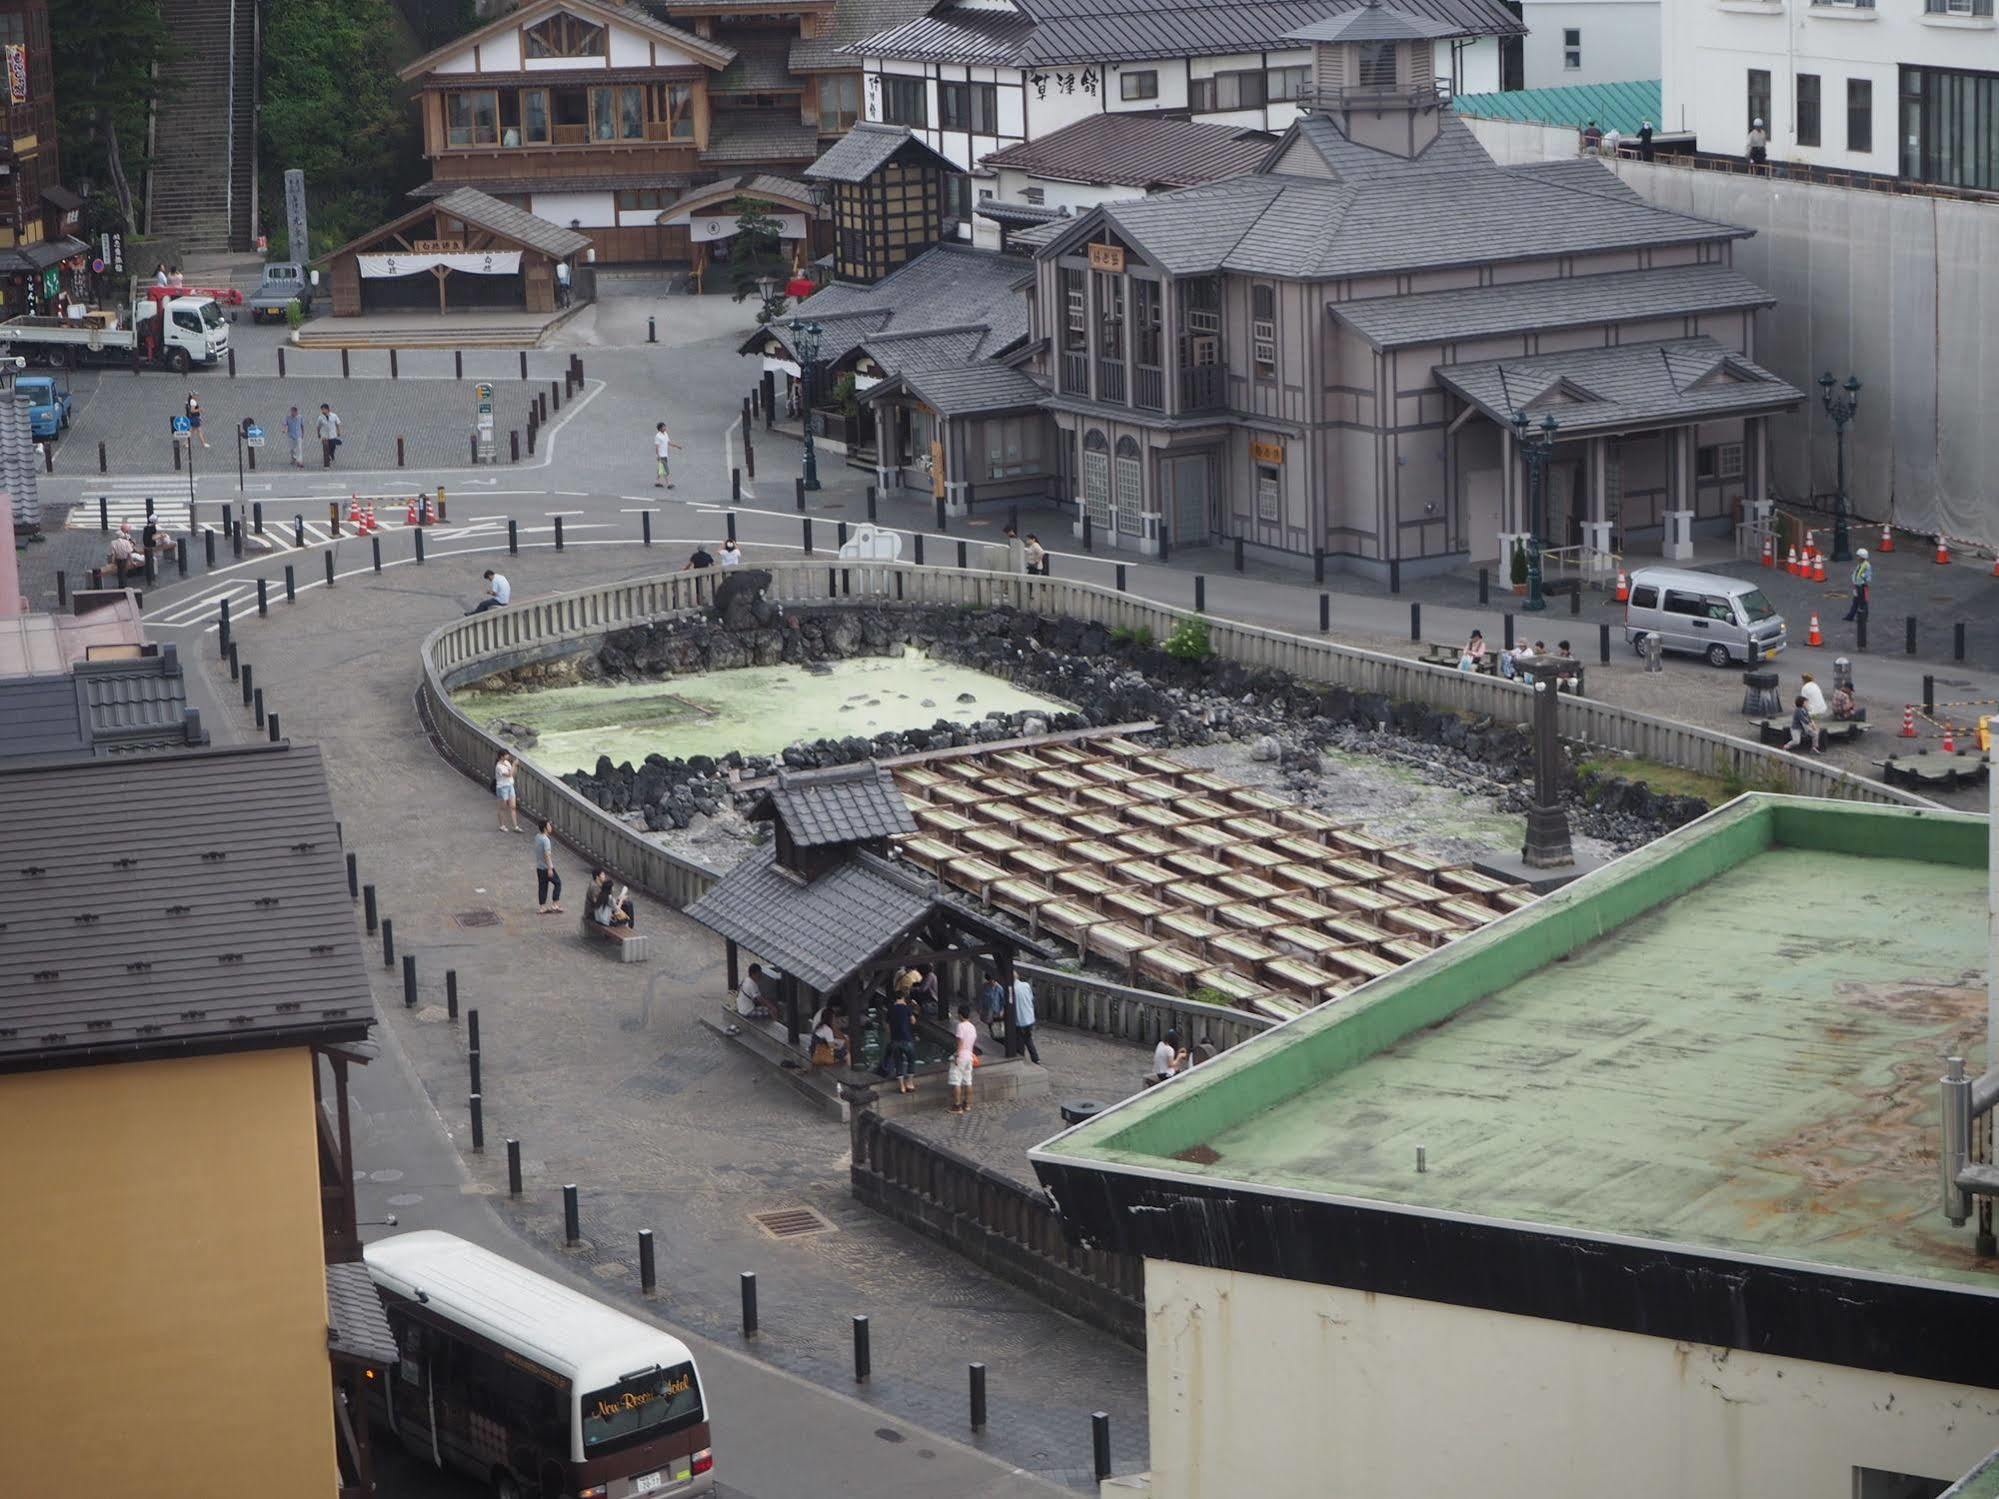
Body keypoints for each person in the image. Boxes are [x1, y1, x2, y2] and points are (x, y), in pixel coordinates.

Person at [885, 983, 917, 1093]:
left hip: (895, 1040)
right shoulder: (906, 1008)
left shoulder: (890, 1009)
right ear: (903, 997)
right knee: (911, 1060)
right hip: (906, 1038)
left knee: (898, 1062)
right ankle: (910, 1083)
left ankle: (902, 1087)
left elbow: (887, 1027)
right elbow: (913, 1021)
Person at [949, 1003, 979, 1114]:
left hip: (961, 1056)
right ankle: (968, 1104)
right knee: (968, 1081)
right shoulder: (972, 1027)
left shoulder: (960, 1026)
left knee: (956, 1081)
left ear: (960, 1015)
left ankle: (957, 1106)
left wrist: (957, 1054)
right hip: (969, 1056)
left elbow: (959, 1042)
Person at [533, 817, 563, 914]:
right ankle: (555, 904)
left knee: (542, 886)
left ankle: (542, 907)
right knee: (558, 883)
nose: (551, 827)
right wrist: (550, 868)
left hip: (539, 867)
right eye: (549, 825)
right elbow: (547, 855)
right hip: (546, 867)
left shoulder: (537, 837)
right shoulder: (546, 840)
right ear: (545, 828)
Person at [1010, 971, 1041, 1065]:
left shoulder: (1012, 990)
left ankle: (1021, 1058)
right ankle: (1035, 1058)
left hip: (1020, 1019)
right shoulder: (1026, 985)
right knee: (1028, 1038)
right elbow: (1031, 998)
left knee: (1020, 1041)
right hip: (1029, 1017)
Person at [493, 752, 522, 832]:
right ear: (502, 756)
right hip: (502, 788)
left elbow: (513, 774)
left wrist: (515, 766)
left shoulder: (507, 762)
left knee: (513, 806)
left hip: (510, 786)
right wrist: (513, 765)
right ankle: (502, 825)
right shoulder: (499, 766)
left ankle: (515, 826)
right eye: (506, 755)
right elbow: (508, 775)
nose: (508, 756)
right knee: (502, 807)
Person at [1843, 547, 1872, 623]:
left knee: (1863, 603)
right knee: (1855, 602)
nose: (1857, 557)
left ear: (1862, 557)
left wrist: (1862, 577)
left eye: (1858, 556)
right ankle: (1850, 616)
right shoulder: (1861, 564)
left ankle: (1863, 618)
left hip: (1862, 587)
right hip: (1857, 586)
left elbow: (1868, 577)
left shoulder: (1867, 565)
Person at [978, 968, 1007, 1036]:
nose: (992, 982)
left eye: (993, 981)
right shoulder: (985, 986)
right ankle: (992, 1035)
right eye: (990, 981)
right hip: (988, 1010)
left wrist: (1002, 1010)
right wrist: (980, 1008)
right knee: (990, 1025)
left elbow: (1003, 1000)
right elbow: (982, 998)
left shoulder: (999, 988)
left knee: (998, 1026)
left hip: (997, 1011)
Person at [653, 422, 680, 488]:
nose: (665, 428)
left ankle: (657, 482)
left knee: (660, 469)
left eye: (665, 426)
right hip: (661, 456)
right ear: (660, 428)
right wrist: (658, 455)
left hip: (665, 455)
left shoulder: (665, 434)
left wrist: (676, 446)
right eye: (663, 427)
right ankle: (669, 484)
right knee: (665, 469)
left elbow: (668, 442)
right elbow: (657, 447)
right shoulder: (658, 436)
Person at [317, 403, 343, 468]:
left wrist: (338, 431)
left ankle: (331, 455)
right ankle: (327, 462)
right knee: (326, 448)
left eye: (324, 409)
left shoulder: (334, 416)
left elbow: (337, 423)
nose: (322, 411)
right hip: (324, 436)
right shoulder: (320, 417)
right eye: (322, 410)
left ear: (327, 409)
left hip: (332, 434)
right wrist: (318, 433)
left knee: (332, 447)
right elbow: (318, 426)